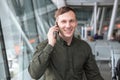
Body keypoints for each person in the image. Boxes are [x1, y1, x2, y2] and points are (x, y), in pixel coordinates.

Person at [28, 6, 104, 80]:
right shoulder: (45, 45)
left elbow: (94, 76)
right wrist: (50, 45)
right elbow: (34, 74)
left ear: (76, 23)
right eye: (63, 21)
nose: (68, 26)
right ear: (56, 25)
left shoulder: (84, 47)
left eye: (71, 21)